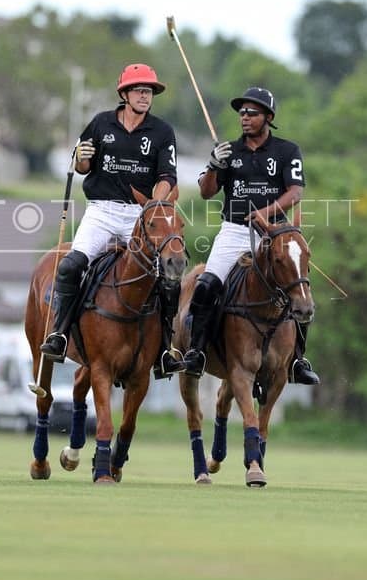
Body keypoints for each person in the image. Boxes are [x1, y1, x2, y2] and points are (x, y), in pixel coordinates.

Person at [39, 62, 183, 378]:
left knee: (167, 278)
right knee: (72, 264)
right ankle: (60, 334)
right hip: (102, 212)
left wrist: (156, 204)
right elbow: (83, 166)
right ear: (125, 93)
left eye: (149, 91)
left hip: (140, 214)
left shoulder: (162, 132)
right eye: (140, 90)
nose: (145, 96)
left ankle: (164, 351)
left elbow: (166, 176)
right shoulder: (101, 123)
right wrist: (81, 159)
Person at [170, 86, 320, 384]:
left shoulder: (286, 151)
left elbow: (296, 192)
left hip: (274, 234)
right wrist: (214, 165)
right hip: (234, 231)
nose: (245, 117)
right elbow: (206, 191)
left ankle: (297, 361)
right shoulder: (230, 151)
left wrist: (266, 213)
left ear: (269, 117)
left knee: (299, 290)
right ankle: (197, 352)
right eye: (242, 113)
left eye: (252, 113)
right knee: (206, 286)